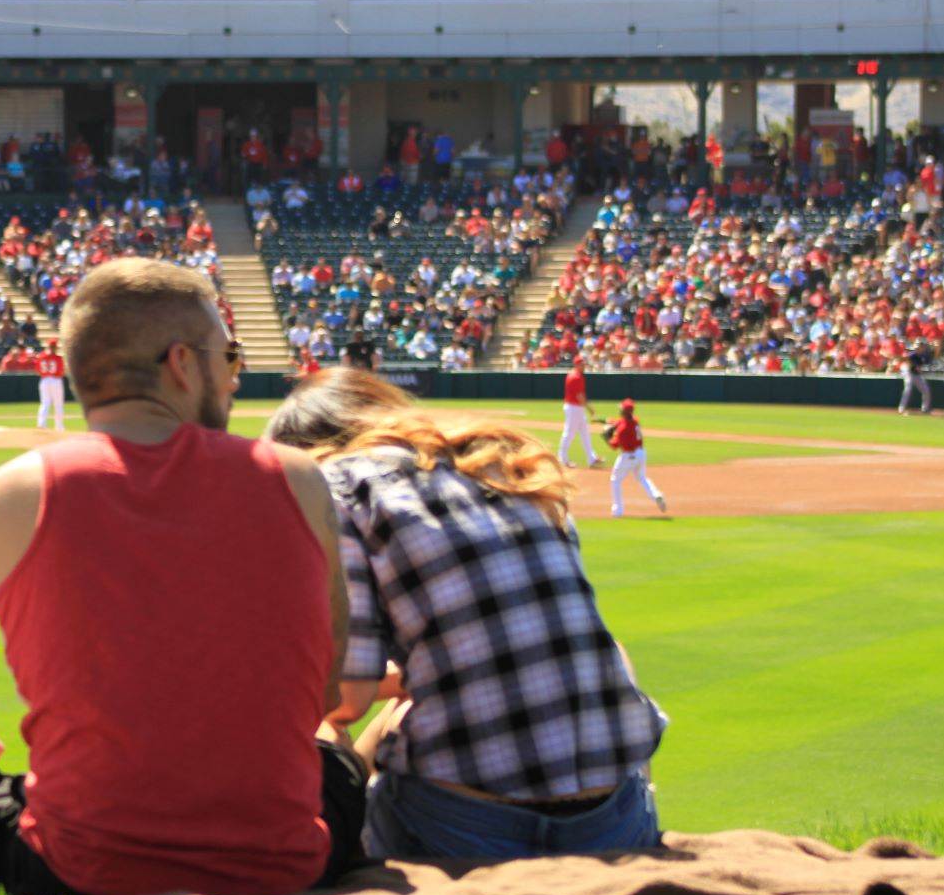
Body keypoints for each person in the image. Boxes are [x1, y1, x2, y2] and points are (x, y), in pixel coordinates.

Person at [0, 258, 366, 895]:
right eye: (228, 355)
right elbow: (321, 693)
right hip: (289, 861)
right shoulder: (298, 480)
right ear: (181, 363)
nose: (234, 376)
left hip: (79, 869)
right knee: (336, 757)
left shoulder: (7, 496)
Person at [265, 368, 666, 859]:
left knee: (336, 744)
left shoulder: (337, 485)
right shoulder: (504, 462)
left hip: (469, 828)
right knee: (613, 655)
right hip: (616, 822)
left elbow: (346, 698)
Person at [605, 398, 666, 517]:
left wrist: (607, 438)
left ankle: (617, 511)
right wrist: (608, 421)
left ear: (624, 411)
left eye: (621, 408)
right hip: (641, 454)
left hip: (628, 456)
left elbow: (614, 445)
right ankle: (656, 495)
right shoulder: (635, 421)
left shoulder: (623, 430)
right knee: (642, 478)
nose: (619, 409)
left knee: (615, 480)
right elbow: (620, 422)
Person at [558, 357, 602, 469]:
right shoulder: (576, 377)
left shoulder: (573, 374)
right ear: (576, 365)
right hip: (574, 408)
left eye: (584, 364)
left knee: (585, 433)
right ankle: (562, 459)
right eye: (581, 364)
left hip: (575, 407)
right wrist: (589, 408)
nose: (583, 366)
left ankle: (591, 458)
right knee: (569, 433)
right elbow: (580, 396)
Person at [34, 337, 67, 431]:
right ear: (55, 347)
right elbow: (61, 372)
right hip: (56, 380)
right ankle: (59, 426)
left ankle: (41, 424)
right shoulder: (58, 358)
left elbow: (38, 370)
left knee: (45, 403)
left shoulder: (41, 357)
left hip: (44, 380)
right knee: (58, 404)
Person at [898, 343, 933, 415]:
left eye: (920, 347)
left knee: (926, 390)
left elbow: (923, 365)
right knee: (908, 388)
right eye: (917, 347)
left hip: (917, 375)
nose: (918, 349)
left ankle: (925, 409)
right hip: (909, 373)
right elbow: (904, 359)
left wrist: (918, 368)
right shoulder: (912, 354)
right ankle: (901, 408)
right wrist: (914, 366)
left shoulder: (923, 355)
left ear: (923, 348)